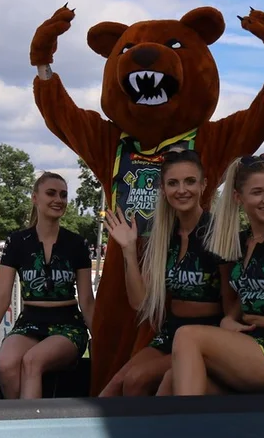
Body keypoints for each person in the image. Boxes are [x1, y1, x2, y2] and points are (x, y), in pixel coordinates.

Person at [169, 153, 264, 399]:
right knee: (169, 381)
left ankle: (186, 431)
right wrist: (229, 318)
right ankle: (174, 436)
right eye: (257, 192)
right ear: (238, 197)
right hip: (248, 345)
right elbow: (245, 294)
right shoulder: (240, 241)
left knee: (187, 335)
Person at [98, 148, 231, 396]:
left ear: (203, 185)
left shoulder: (217, 234)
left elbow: (233, 301)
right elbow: (139, 302)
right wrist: (128, 250)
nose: (182, 190)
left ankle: (143, 436)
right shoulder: (163, 236)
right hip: (172, 331)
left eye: (190, 181)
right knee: (115, 385)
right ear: (163, 189)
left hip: (208, 335)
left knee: (136, 380)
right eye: (173, 183)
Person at [0, 172, 95, 399]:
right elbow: (2, 296)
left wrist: (99, 339)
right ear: (35, 198)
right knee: (5, 362)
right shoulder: (17, 242)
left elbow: (86, 299)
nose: (59, 199)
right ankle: (17, 426)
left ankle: (31, 429)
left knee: (32, 361)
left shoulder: (76, 243)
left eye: (63, 195)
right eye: (51, 193)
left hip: (67, 325)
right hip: (30, 322)